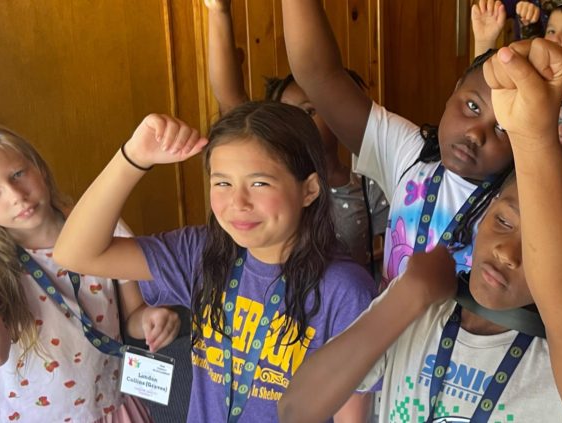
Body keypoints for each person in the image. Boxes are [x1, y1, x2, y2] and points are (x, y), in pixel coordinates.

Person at [276, 38, 562, 423]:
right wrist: (408, 296)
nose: (506, 252)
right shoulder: (420, 309)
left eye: (537, 247)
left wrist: (534, 133)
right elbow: (297, 409)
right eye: (503, 221)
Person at [54, 102, 376, 422]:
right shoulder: (201, 253)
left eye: (259, 183)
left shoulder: (344, 290)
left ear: (309, 190)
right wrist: (134, 157)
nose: (238, 202)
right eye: (223, 183)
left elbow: (351, 415)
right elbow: (74, 253)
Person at [0, 122, 176, 422]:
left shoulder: (102, 226)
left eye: (18, 174)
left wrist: (152, 319)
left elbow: (135, 315)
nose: (16, 195)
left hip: (109, 407)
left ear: (39, 168)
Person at [283, 0, 518, 289]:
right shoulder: (412, 154)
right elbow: (317, 73)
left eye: (502, 128)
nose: (475, 134)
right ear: (455, 90)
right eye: (472, 106)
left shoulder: (517, 206)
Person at [204, 0, 389, 277]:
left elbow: (395, 250)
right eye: (286, 112)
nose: (297, 122)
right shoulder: (262, 168)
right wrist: (219, 12)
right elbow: (229, 98)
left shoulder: (365, 184)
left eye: (309, 111)